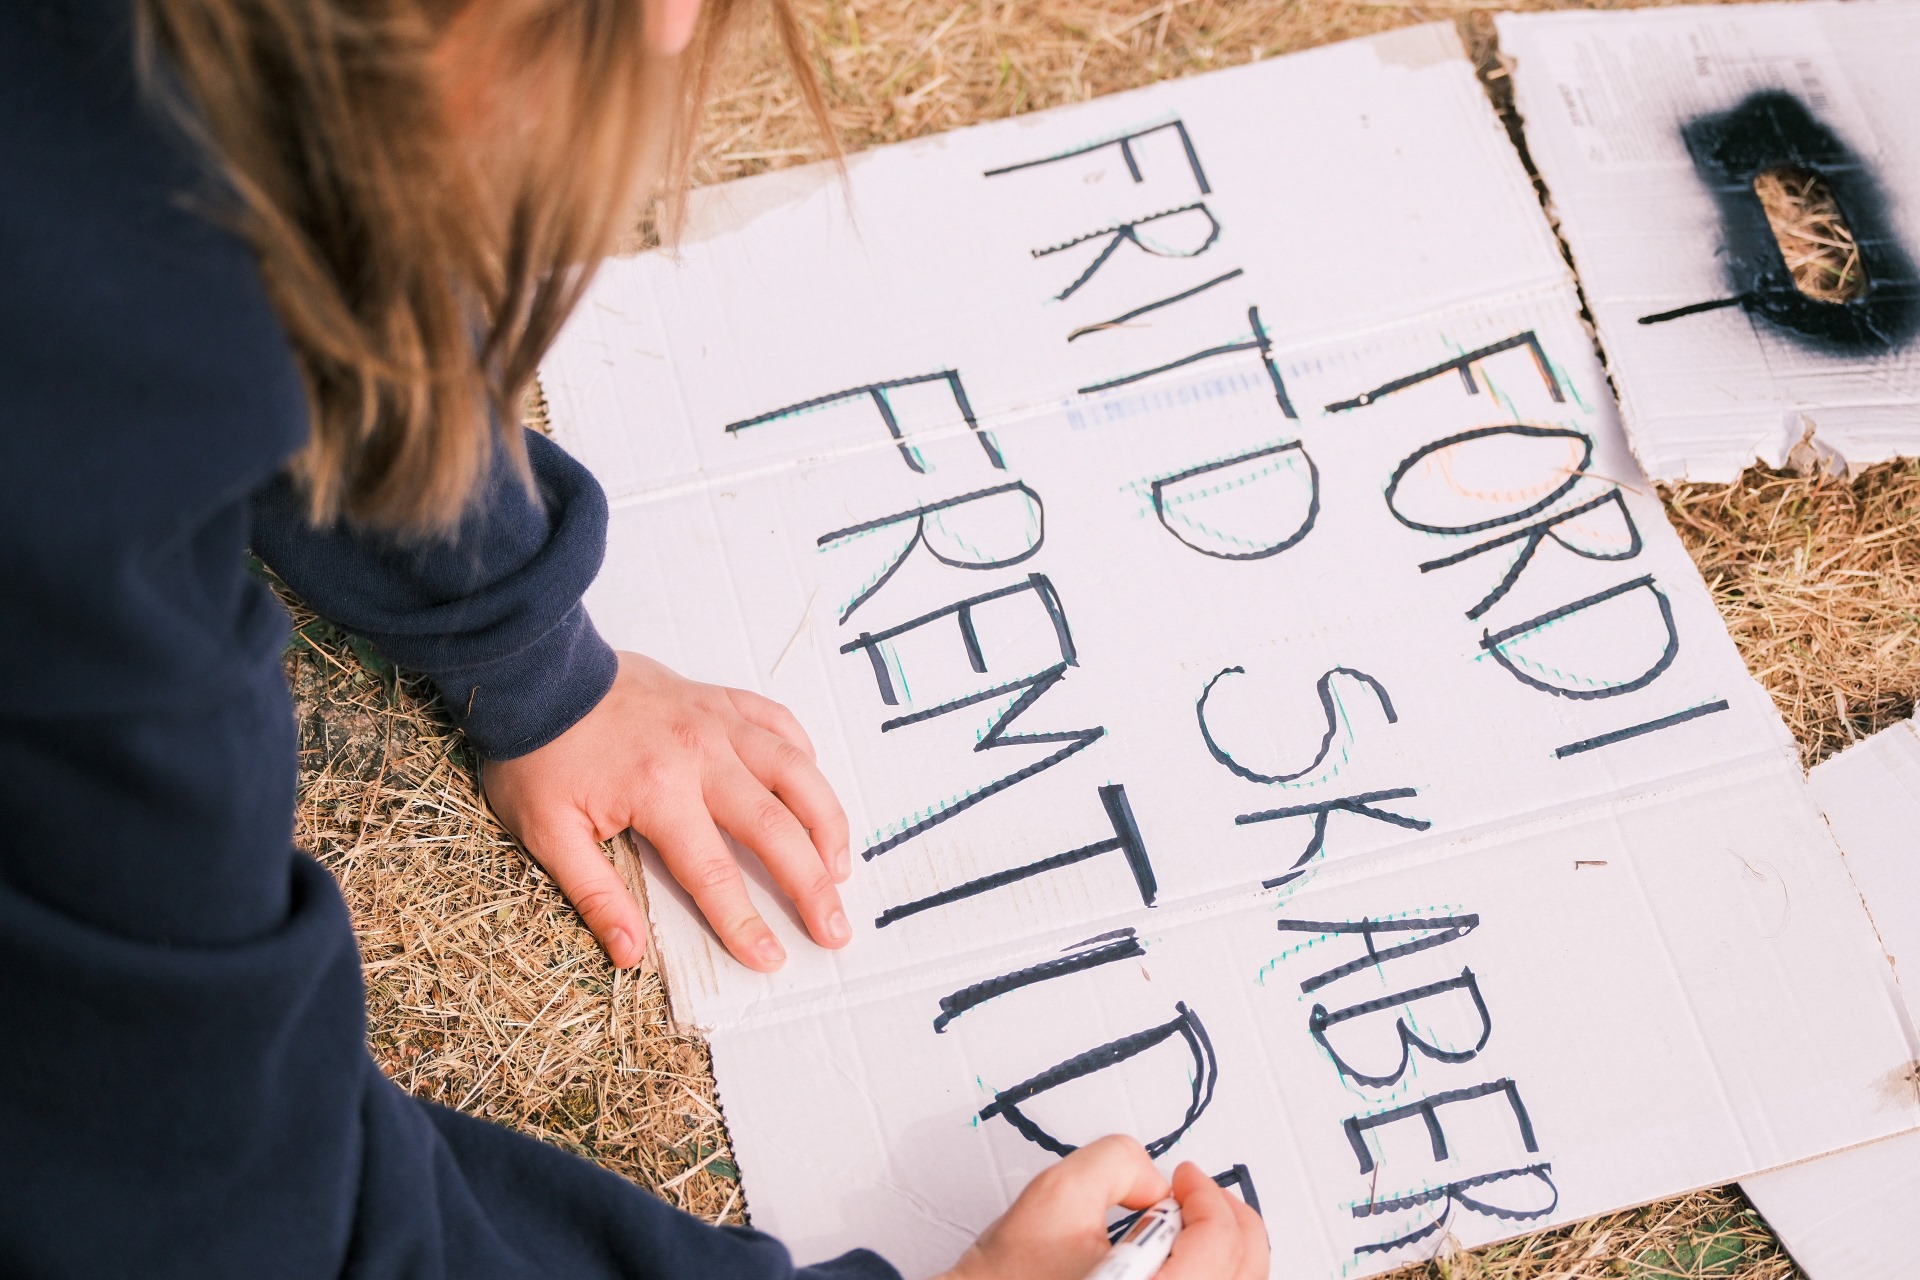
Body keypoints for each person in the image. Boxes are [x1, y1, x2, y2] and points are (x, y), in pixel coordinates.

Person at [0, 0, 1272, 1276]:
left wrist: (525, 646)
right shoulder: (71, 527)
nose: (670, 29)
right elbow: (228, 1207)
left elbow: (305, 227)